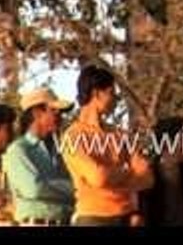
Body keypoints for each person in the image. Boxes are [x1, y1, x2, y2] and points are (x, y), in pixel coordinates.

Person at [61, 64, 154, 226]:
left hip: (126, 216)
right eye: (111, 93)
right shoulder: (73, 136)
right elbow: (98, 177)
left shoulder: (119, 134)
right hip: (94, 218)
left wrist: (112, 176)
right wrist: (127, 170)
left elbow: (147, 177)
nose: (116, 99)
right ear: (96, 93)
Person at [3, 87, 75, 226]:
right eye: (54, 111)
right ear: (37, 113)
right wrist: (74, 188)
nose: (60, 116)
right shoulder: (18, 150)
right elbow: (34, 189)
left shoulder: (60, 151)